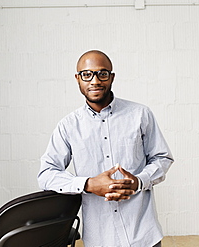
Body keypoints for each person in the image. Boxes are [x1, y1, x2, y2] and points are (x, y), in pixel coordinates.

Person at [38, 50, 174, 247]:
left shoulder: (140, 114)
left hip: (143, 234)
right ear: (78, 79)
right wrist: (89, 184)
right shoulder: (68, 126)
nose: (95, 81)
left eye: (102, 74)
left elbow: (162, 158)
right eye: (87, 74)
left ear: (112, 77)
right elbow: (46, 174)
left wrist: (139, 181)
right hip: (100, 238)